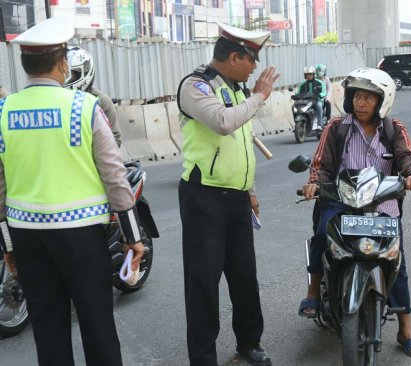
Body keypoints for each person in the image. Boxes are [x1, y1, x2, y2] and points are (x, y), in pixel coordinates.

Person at [0, 18, 145, 365]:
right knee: (98, 327)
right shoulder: (84, 107)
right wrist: (133, 236)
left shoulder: (5, 112)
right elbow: (114, 177)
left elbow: (1, 185)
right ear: (63, 63)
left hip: (27, 237)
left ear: (24, 64)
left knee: (48, 331)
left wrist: (7, 245)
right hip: (80, 238)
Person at [299, 67, 411, 358]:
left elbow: (406, 158)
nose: (361, 103)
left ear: (383, 100)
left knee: (396, 260)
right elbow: (321, 164)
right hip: (341, 201)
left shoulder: (394, 130)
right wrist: (314, 184)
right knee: (322, 234)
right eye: (357, 96)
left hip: (382, 204)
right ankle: (313, 293)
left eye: (369, 98)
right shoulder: (337, 127)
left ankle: (405, 329)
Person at [176, 22, 280, 366]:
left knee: (244, 276)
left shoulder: (237, 89)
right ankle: (203, 357)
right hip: (203, 198)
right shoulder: (196, 86)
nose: (255, 67)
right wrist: (259, 97)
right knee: (203, 282)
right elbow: (223, 123)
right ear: (234, 56)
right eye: (251, 59)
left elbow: (240, 145)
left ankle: (249, 343)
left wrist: (249, 191)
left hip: (235, 198)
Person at [64, 46, 122, 146]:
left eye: (73, 75)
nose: (67, 79)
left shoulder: (102, 102)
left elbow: (116, 139)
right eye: (65, 74)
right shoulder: (58, 99)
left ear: (83, 73)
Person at [296, 66, 326, 130]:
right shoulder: (302, 84)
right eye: (307, 74)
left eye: (310, 74)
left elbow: (324, 92)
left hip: (316, 101)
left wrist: (319, 94)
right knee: (295, 107)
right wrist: (295, 96)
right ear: (305, 76)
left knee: (319, 105)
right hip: (305, 102)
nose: (309, 76)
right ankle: (298, 124)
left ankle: (319, 124)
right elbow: (298, 92)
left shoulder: (320, 83)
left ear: (313, 74)